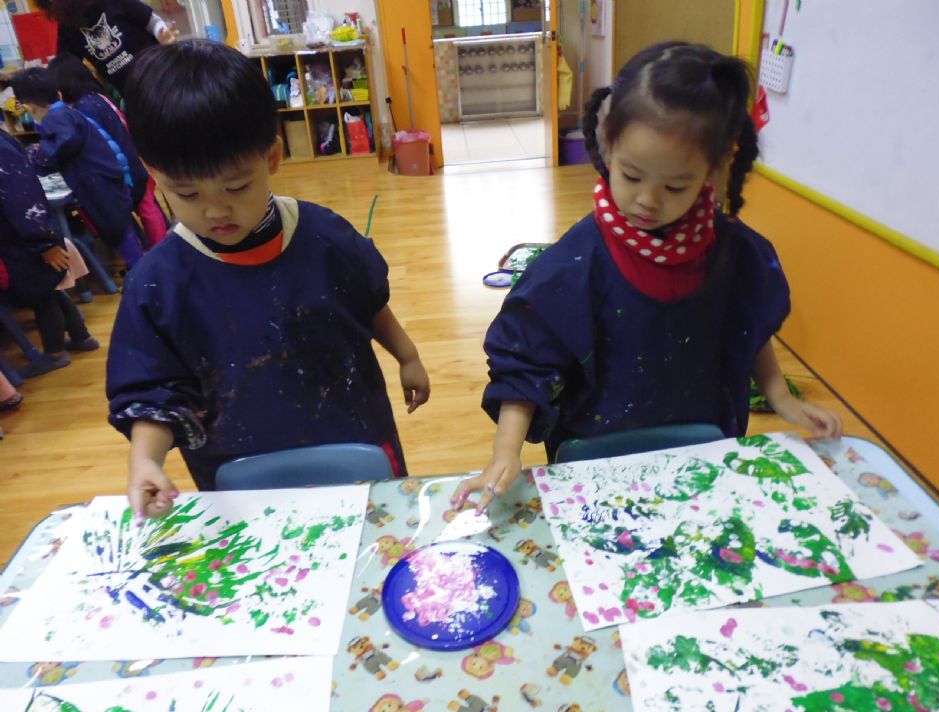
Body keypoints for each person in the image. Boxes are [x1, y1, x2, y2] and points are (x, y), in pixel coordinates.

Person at [453, 41, 842, 512]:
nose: (648, 201)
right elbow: (527, 359)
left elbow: (746, 325)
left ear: (713, 171)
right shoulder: (572, 265)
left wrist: (779, 395)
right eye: (631, 176)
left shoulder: (736, 253)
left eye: (675, 185)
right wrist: (505, 452)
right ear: (607, 145)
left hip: (703, 454)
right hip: (597, 462)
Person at [106, 40, 430, 522]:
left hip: (353, 438)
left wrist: (408, 356)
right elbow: (155, 391)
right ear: (155, 176)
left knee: (373, 536)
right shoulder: (157, 285)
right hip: (241, 471)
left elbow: (367, 302)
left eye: (237, 187)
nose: (216, 210)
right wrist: (145, 460)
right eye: (187, 194)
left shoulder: (324, 236)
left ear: (272, 157)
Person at [11, 67, 144, 269]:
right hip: (105, 180)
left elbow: (64, 142)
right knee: (123, 228)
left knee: (119, 231)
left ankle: (139, 269)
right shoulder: (65, 112)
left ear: (29, 107)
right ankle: (139, 263)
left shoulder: (56, 119)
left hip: (99, 186)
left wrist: (40, 157)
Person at [0, 130, 99, 378]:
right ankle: (81, 337)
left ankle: (54, 353)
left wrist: (43, 242)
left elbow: (21, 196)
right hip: (28, 234)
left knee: (41, 296)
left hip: (26, 237)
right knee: (51, 289)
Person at [48, 54, 168, 247]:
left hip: (125, 168)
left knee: (145, 210)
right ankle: (159, 246)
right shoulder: (96, 97)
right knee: (147, 207)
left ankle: (160, 248)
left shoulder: (83, 108)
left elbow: (102, 144)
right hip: (133, 159)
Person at [35, 0, 177, 95]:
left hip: (161, 74)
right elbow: (64, 67)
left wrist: (163, 34)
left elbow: (151, 20)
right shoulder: (67, 28)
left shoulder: (111, 2)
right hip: (133, 94)